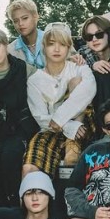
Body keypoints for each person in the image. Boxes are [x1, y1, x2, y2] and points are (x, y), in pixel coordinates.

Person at [0, 27, 39, 205]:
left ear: (5, 45)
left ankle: (15, 205)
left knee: (11, 155)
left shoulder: (25, 69)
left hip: (18, 129)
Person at [23, 26, 96, 178]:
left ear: (68, 48)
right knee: (29, 168)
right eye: (51, 44)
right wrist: (68, 125)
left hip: (83, 125)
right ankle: (34, 193)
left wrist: (61, 118)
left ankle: (72, 144)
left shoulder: (78, 67)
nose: (57, 49)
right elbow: (40, 116)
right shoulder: (35, 79)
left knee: (77, 82)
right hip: (51, 128)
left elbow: (89, 88)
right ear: (43, 48)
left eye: (62, 44)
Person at [7, 0, 44, 70]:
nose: (20, 24)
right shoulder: (10, 51)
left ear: (35, 16)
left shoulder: (55, 40)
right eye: (16, 21)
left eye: (25, 18)